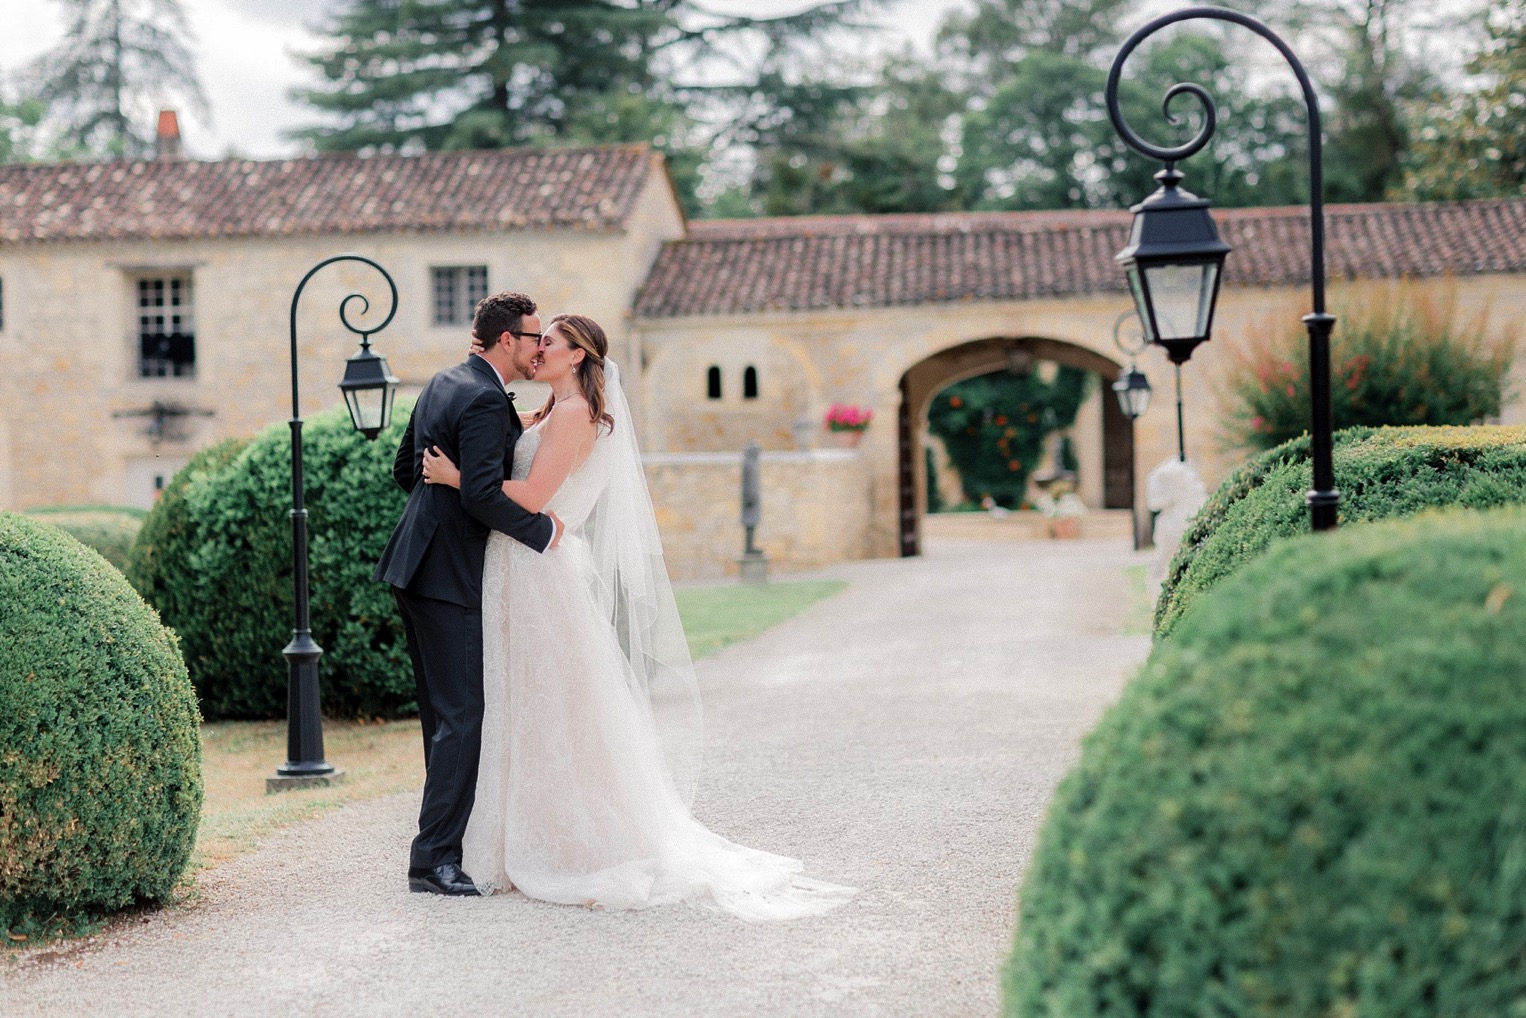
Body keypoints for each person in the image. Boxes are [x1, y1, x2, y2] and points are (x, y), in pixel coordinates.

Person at [420, 313, 855, 919]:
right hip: (517, 566)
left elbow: (533, 497)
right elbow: (498, 424)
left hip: (535, 570)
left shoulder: (573, 416)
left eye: (549, 344)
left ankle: (560, 841)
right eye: (535, 341)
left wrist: (455, 475)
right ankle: (504, 834)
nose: (539, 351)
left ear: (577, 357)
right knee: (522, 702)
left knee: (543, 704)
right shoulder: (550, 412)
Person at [373, 292, 561, 897]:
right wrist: (543, 533)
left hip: (414, 566)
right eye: (535, 337)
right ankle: (433, 862)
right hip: (447, 573)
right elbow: (480, 495)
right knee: (462, 717)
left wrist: (446, 491)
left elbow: (407, 470)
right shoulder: (483, 397)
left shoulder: (443, 382)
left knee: (442, 717)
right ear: (508, 340)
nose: (539, 348)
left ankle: (442, 845)